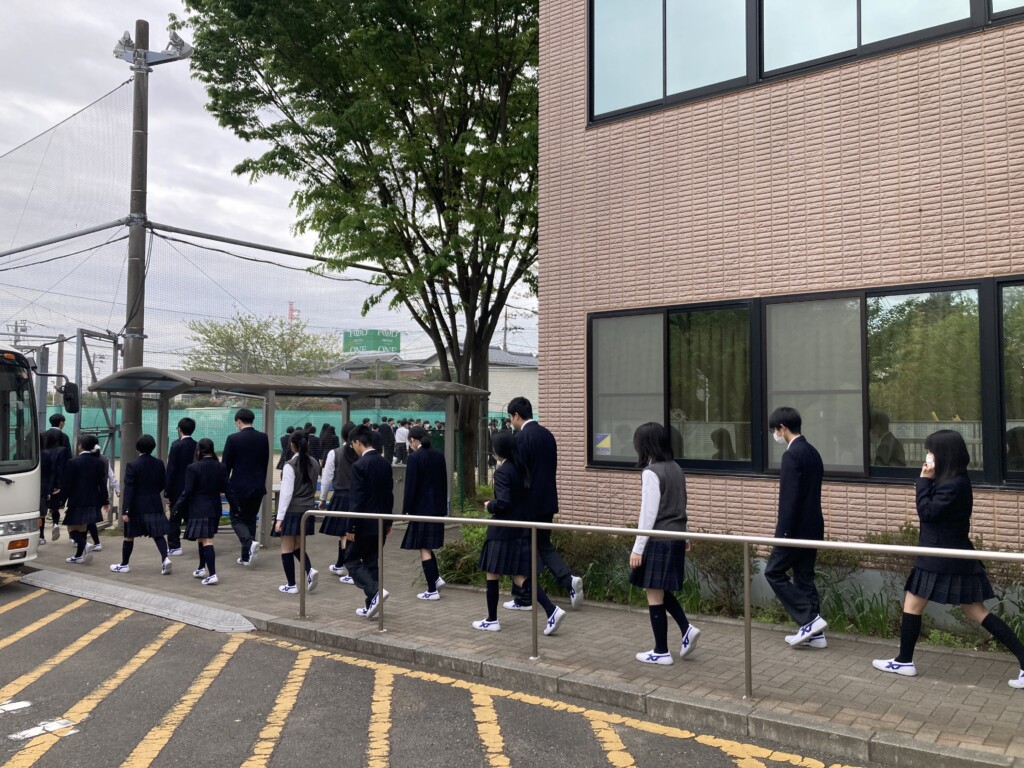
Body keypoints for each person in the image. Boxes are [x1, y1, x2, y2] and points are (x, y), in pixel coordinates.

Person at [873, 430, 1024, 687]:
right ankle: (904, 660)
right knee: (973, 610)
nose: (928, 456)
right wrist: (928, 482)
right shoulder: (953, 480)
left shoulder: (954, 484)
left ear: (943, 454)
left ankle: (904, 661)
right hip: (948, 555)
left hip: (940, 556)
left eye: (931, 451)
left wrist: (923, 482)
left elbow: (927, 512)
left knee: (917, 606)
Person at [472, 431, 566, 635]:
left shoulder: (502, 472)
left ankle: (492, 619)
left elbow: (504, 503)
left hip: (502, 531)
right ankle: (551, 610)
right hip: (521, 529)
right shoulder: (522, 468)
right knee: (520, 576)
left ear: (498, 450)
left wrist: (490, 505)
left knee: (492, 573)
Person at [629, 423, 699, 664]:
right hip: (676, 537)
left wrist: (637, 548)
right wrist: (685, 536)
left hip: (659, 539)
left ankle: (661, 651)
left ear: (645, 444)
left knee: (653, 593)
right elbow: (681, 505)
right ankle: (686, 628)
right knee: (659, 589)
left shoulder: (651, 472)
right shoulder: (676, 468)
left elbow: (648, 514)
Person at [505, 396, 583, 611]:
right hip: (548, 501)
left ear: (516, 416)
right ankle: (566, 580)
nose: (511, 422)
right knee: (542, 545)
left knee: (523, 549)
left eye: (511, 417)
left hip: (527, 505)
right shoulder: (547, 435)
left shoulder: (521, 438)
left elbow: (519, 473)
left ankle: (525, 598)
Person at [765, 406, 828, 648]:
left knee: (773, 572)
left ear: (783, 427)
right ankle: (816, 635)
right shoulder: (812, 452)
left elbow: (789, 499)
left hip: (794, 529)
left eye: (774, 430)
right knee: (804, 577)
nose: (775, 435)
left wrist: (783, 533)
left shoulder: (792, 455)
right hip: (813, 526)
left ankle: (809, 620)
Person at [345, 424, 394, 618]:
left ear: (358, 442)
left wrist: (351, 527)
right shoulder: (385, 463)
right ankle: (372, 604)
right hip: (381, 521)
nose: (353, 448)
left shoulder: (359, 466)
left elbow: (357, 500)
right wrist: (389, 522)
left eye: (352, 444)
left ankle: (375, 592)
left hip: (364, 524)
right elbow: (389, 496)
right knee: (372, 561)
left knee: (351, 559)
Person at [110, 434, 172, 575]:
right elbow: (162, 483)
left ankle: (124, 564)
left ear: (137, 448)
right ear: (153, 447)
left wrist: (125, 510)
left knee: (129, 535)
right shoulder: (159, 463)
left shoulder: (132, 465)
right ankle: (165, 559)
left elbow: (129, 489)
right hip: (154, 503)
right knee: (158, 534)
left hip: (136, 505)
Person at [173, 438, 231, 586]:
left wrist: (177, 507)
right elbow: (226, 489)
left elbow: (187, 491)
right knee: (203, 538)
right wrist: (235, 506)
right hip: (215, 507)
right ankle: (201, 568)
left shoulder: (193, 468)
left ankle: (212, 574)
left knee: (207, 540)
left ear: (198, 450)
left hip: (199, 508)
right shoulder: (221, 466)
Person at [400, 426, 447, 599]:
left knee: (424, 547)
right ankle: (436, 579)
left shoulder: (414, 458)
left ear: (413, 440)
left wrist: (406, 510)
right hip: (437, 508)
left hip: (421, 509)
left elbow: (410, 486)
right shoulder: (439, 455)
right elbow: (444, 482)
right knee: (426, 545)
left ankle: (432, 589)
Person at [273, 431, 320, 594]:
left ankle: (292, 584)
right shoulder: (314, 463)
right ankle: (309, 570)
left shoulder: (290, 465)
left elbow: (286, 494)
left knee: (286, 547)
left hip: (292, 510)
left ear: (292, 444)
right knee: (297, 546)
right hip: (307, 509)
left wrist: (279, 518)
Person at [222, 408, 270, 567]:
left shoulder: (233, 438)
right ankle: (246, 557)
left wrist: (223, 485)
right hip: (257, 486)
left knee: (236, 518)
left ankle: (249, 543)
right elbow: (264, 462)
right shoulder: (263, 438)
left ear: (238, 421)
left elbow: (226, 465)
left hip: (238, 487)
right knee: (250, 519)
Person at [60, 434, 108, 565]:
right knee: (82, 529)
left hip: (77, 500)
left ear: (80, 446)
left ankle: (85, 544)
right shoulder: (98, 462)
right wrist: (105, 501)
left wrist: (61, 501)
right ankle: (78, 556)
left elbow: (67, 484)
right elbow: (102, 483)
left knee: (71, 528)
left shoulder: (73, 462)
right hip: (93, 500)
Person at [319, 421, 358, 582]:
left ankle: (351, 570)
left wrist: (322, 499)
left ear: (342, 436)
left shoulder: (334, 453)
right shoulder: (361, 452)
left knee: (344, 534)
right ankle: (340, 565)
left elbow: (326, 478)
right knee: (350, 534)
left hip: (341, 496)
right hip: (358, 497)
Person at [164, 417, 197, 556]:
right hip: (193, 487)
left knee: (174, 517)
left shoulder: (176, 446)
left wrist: (167, 491)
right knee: (191, 515)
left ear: (179, 429)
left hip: (177, 488)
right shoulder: (197, 445)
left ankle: (174, 546)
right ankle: (202, 539)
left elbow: (171, 469)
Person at [44, 425, 71, 541]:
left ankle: (41, 536)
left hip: (44, 484)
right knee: (55, 508)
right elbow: (62, 467)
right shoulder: (62, 450)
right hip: (56, 484)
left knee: (42, 510)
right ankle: (55, 524)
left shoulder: (42, 451)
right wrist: (59, 484)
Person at [37, 433, 55, 544]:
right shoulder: (46, 455)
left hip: (39, 489)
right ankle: (41, 535)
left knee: (38, 514)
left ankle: (40, 535)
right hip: (42, 488)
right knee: (40, 514)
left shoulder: (21, 454)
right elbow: (51, 473)